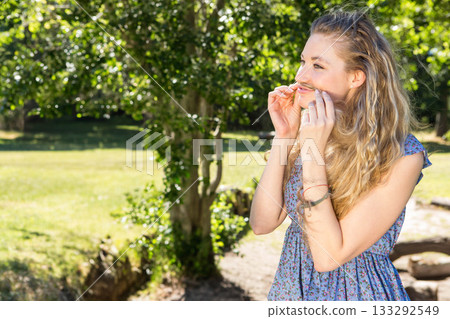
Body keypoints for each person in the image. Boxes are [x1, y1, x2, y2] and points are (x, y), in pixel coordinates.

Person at [249, 9, 433, 301]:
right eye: (303, 61)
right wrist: (285, 136)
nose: (301, 75)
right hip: (291, 294)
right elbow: (262, 223)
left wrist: (313, 155)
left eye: (318, 66)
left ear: (355, 77)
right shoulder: (305, 134)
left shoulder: (402, 155)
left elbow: (327, 257)